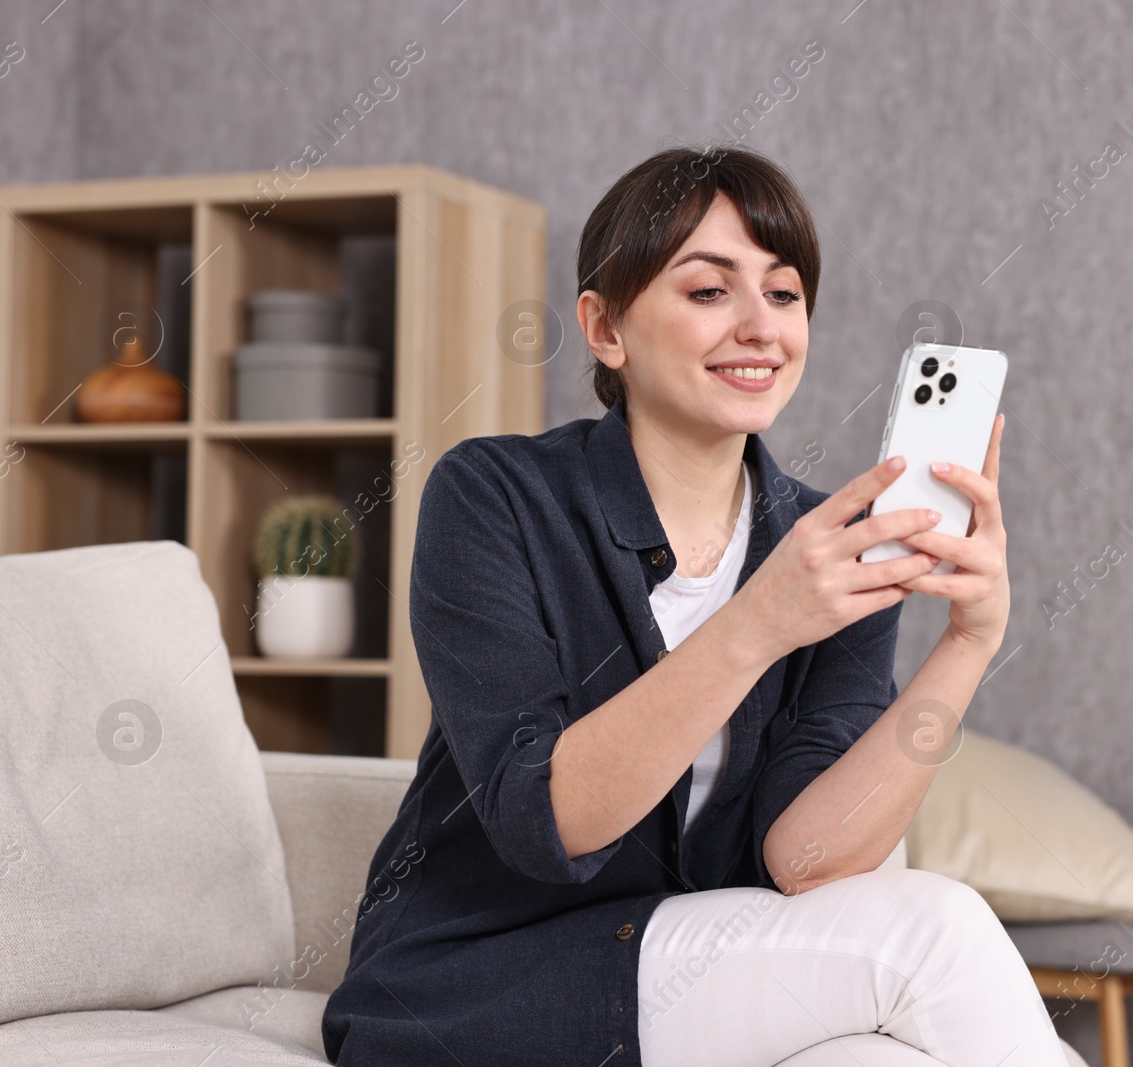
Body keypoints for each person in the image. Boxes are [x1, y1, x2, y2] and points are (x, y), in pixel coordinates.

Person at [322, 143, 1067, 1067]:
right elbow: (545, 819)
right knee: (934, 927)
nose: (761, 326)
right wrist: (759, 621)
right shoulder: (493, 495)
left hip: (702, 972)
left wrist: (969, 641)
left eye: (785, 293)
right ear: (605, 328)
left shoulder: (829, 541)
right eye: (710, 291)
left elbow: (807, 859)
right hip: (480, 987)